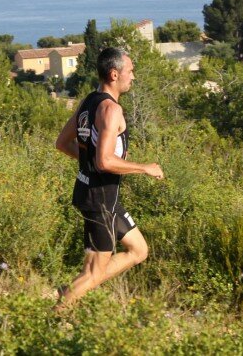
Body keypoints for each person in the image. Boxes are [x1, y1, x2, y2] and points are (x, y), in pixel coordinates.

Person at [54, 47, 164, 310]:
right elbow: (105, 161)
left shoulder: (88, 102)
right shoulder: (110, 110)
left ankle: (72, 290)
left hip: (100, 196)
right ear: (114, 74)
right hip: (100, 200)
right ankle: (56, 313)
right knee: (93, 273)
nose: (133, 77)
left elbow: (62, 143)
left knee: (139, 251)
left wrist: (88, 162)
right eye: (131, 71)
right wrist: (144, 168)